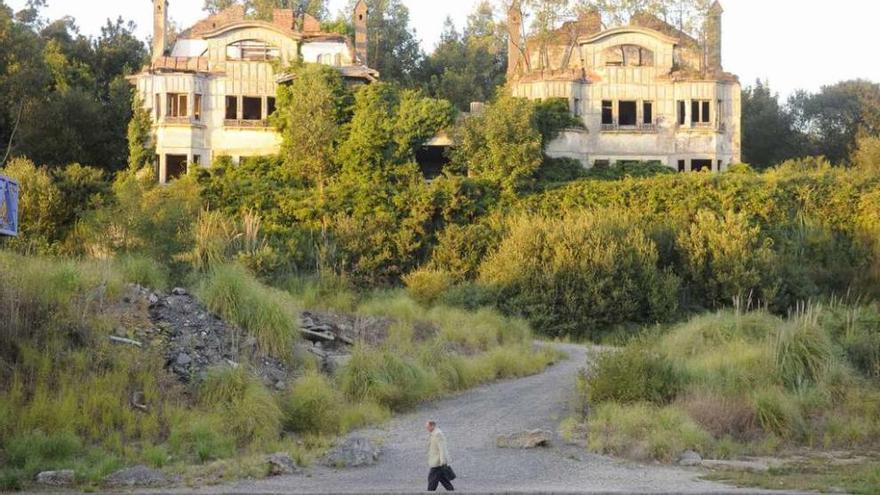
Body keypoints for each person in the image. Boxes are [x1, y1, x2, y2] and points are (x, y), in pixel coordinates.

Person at [426, 420, 454, 491]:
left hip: (438, 462)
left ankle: (430, 492)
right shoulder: (433, 434)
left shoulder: (438, 434)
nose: (427, 428)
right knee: (443, 479)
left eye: (428, 427)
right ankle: (451, 491)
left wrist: (442, 461)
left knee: (431, 479)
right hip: (436, 461)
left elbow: (442, 448)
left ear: (433, 426)